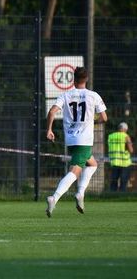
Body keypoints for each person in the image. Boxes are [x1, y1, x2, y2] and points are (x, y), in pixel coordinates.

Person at [45, 67, 107, 217]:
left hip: (71, 139)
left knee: (92, 164)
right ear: (87, 79)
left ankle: (80, 193)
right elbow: (104, 118)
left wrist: (49, 130)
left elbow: (52, 111)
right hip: (84, 140)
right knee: (75, 170)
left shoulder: (65, 95)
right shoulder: (93, 95)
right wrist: (93, 121)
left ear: (74, 79)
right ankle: (54, 197)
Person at [107, 122, 134, 192]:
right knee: (123, 181)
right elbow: (131, 150)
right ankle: (122, 195)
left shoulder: (111, 136)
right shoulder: (126, 136)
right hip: (124, 163)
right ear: (125, 129)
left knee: (114, 181)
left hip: (114, 162)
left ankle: (112, 195)